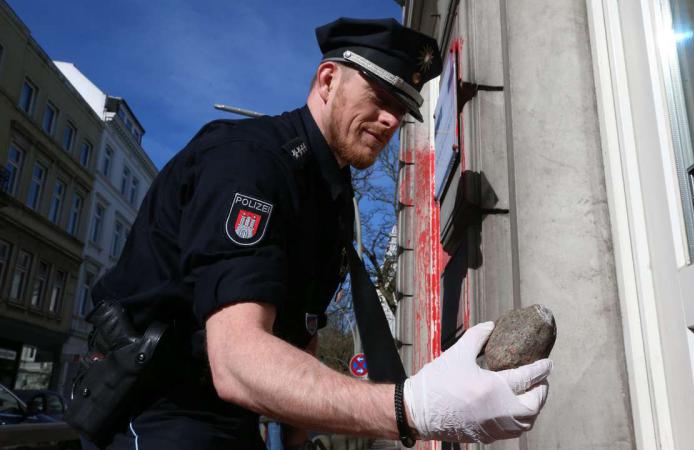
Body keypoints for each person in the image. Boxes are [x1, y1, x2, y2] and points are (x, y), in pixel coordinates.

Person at [83, 17, 552, 450]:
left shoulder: (329, 196)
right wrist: (412, 408)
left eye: (402, 110)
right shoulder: (249, 164)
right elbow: (236, 360)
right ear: (328, 80)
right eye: (381, 98)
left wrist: (298, 442)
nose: (392, 120)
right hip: (157, 410)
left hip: (232, 416)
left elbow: (301, 327)